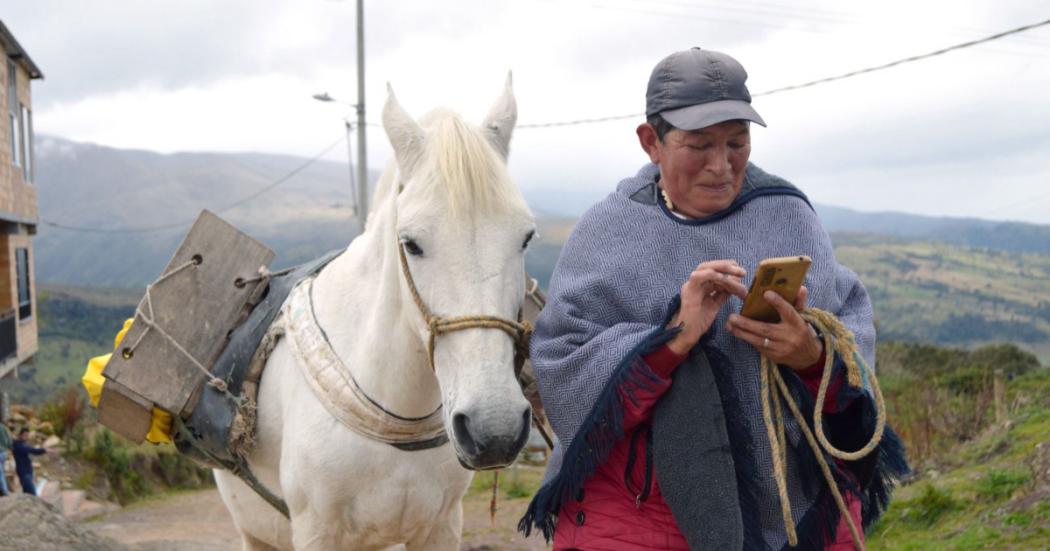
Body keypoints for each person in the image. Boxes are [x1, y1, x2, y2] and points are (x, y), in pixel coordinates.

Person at [519, 48, 908, 551]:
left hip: (791, 503)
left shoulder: (788, 216)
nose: (721, 166)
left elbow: (849, 346)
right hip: (638, 505)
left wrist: (809, 355)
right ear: (650, 142)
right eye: (699, 145)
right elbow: (563, 366)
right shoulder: (608, 230)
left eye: (737, 143)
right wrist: (674, 334)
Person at [12, 428, 46, 495]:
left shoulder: (24, 444)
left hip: (29, 471)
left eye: (27, 436)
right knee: (33, 494)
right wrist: (45, 450)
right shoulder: (17, 445)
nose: (26, 437)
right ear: (20, 435)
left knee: (27, 494)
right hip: (23, 473)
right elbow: (34, 451)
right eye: (24, 435)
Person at [0, 422, 11, 496]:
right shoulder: (3, 427)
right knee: (2, 472)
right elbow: (9, 440)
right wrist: (8, 448)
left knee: (0, 473)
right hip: (4, 452)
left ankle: (5, 492)